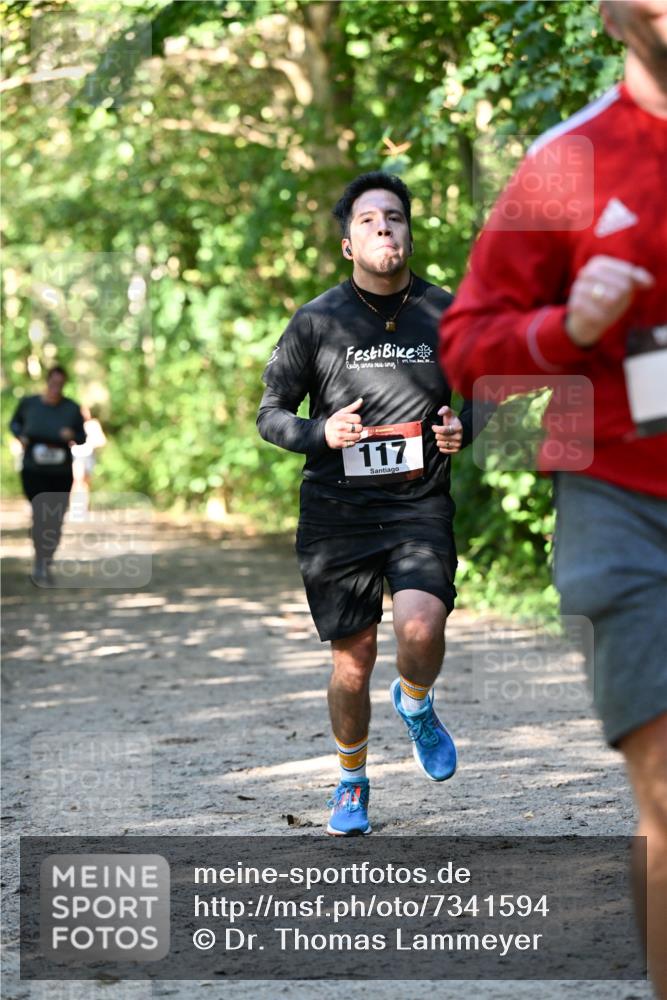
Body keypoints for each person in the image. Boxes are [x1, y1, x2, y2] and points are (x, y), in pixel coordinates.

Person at [438, 2, 667, 994]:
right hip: (624, 499)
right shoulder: (567, 160)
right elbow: (466, 344)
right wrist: (563, 331)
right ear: (614, 11)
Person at [258, 171, 482, 837]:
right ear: (348, 245)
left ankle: (415, 704)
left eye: (394, 217)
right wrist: (317, 433)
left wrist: (464, 425)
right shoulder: (317, 321)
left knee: (420, 626)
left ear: (410, 232)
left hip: (418, 506)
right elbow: (269, 414)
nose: (383, 226)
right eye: (367, 220)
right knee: (351, 665)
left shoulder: (448, 312)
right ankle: (351, 780)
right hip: (336, 514)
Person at [9, 366, 86, 586]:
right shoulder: (30, 404)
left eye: (60, 385)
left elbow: (82, 436)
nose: (55, 389)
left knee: (56, 516)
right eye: (53, 384)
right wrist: (20, 436)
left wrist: (72, 435)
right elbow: (14, 424)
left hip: (60, 472)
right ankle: (39, 561)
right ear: (47, 382)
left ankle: (47, 559)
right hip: (34, 469)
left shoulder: (71, 408)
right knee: (40, 514)